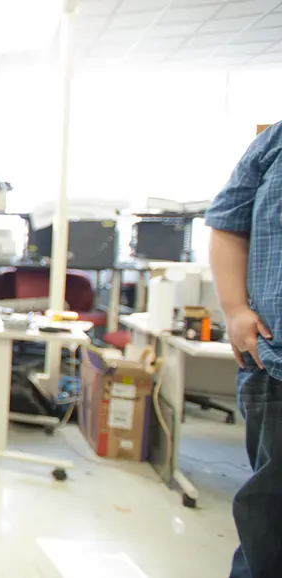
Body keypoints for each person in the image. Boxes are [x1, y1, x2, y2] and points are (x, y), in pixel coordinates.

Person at [207, 122, 281, 578]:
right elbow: (228, 222)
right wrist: (234, 309)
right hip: (277, 361)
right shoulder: (273, 143)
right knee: (269, 520)